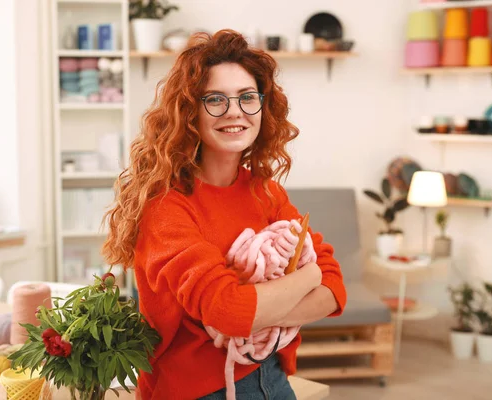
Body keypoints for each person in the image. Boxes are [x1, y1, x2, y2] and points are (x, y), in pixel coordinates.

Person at [103, 29, 346, 400]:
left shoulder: (265, 191)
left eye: (247, 98)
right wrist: (308, 275)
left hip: (272, 375)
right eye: (215, 99)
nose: (235, 111)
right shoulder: (166, 206)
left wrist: (259, 312)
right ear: (189, 112)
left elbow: (334, 290)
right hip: (196, 390)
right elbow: (229, 312)